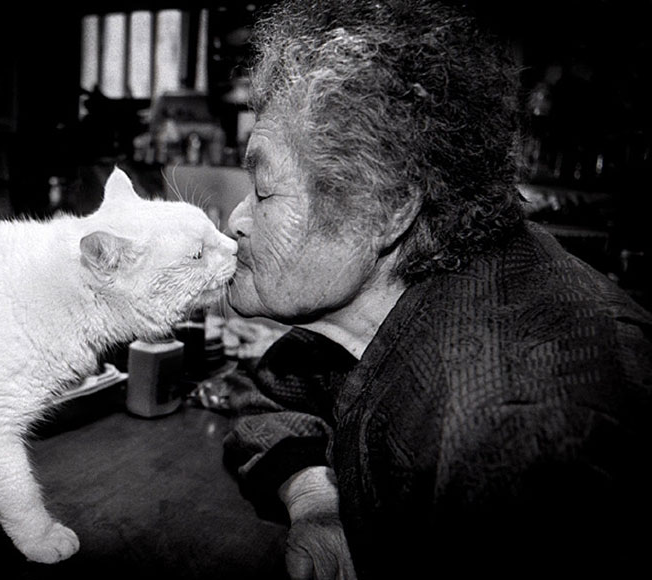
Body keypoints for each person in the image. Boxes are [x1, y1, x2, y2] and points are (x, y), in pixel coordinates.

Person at [220, 0, 652, 578]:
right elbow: (266, 393)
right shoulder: (389, 303)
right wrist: (315, 497)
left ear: (383, 209)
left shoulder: (514, 443)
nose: (237, 220)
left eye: (265, 190)